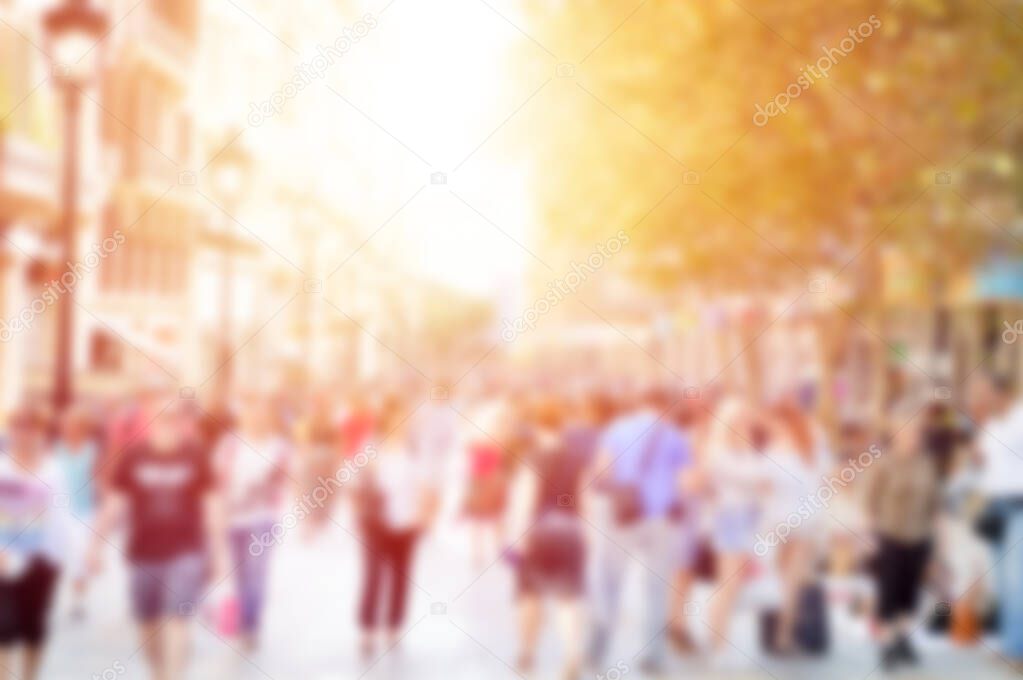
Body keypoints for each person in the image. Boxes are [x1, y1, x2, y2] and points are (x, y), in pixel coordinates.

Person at [87, 398, 229, 680]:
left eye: (175, 418)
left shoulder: (195, 455)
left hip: (186, 550)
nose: (169, 424)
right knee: (147, 625)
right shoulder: (133, 456)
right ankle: (158, 673)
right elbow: (114, 504)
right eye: (162, 418)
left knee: (178, 618)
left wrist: (219, 551)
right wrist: (95, 546)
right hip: (143, 552)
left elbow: (212, 505)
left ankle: (172, 676)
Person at [588, 387, 690, 674]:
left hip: (624, 516)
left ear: (639, 403)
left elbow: (602, 472)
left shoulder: (616, 429)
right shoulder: (676, 436)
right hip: (661, 519)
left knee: (610, 580)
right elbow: (686, 482)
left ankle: (598, 644)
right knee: (656, 588)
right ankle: (653, 655)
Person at [511, 397, 591, 679]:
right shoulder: (577, 459)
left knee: (530, 595)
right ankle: (572, 654)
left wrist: (518, 539)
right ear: (562, 426)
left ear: (537, 426)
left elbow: (524, 500)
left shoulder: (533, 458)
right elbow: (586, 500)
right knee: (568, 598)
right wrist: (587, 537)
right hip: (570, 531)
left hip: (539, 532)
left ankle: (527, 652)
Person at [354, 398, 439, 660]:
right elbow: (357, 481)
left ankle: (393, 627)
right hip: (376, 522)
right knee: (373, 574)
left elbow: (427, 485)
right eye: (396, 418)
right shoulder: (371, 446)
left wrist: (425, 517)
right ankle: (368, 628)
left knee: (401, 575)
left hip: (407, 522)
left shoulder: (416, 450)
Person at [692, 398, 773, 666]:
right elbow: (755, 478)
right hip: (730, 519)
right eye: (739, 421)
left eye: (746, 421)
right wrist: (758, 477)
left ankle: (717, 640)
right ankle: (715, 642)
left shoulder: (741, 450)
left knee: (732, 584)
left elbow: (761, 479)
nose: (745, 426)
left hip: (744, 518)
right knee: (728, 583)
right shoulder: (719, 452)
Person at [864, 402, 940, 671]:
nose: (913, 438)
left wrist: (937, 545)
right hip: (890, 536)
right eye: (908, 433)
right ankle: (887, 646)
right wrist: (870, 537)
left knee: (910, 593)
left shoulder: (927, 464)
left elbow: (934, 504)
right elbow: (870, 502)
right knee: (888, 593)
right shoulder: (884, 464)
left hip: (919, 537)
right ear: (896, 434)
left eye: (917, 433)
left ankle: (903, 642)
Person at [213, 391, 291, 651]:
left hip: (263, 520)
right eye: (252, 410)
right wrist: (219, 515)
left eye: (262, 411)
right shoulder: (230, 444)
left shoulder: (279, 447)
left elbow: (287, 480)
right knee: (239, 575)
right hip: (234, 519)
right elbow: (218, 482)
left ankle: (250, 626)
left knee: (256, 575)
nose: (257, 416)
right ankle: (244, 620)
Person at [0, 406, 72, 680]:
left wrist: (64, 559)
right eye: (20, 429)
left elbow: (60, 517)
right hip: (3, 558)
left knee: (33, 627)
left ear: (42, 435)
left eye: (33, 430)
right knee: (3, 627)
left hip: (41, 559)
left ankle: (29, 676)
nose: (26, 436)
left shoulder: (54, 471)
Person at [969, 372, 1023, 665]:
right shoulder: (989, 424)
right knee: (1001, 581)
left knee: (1018, 581)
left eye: (983, 392)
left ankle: (1019, 651)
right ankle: (1010, 645)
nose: (978, 398)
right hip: (995, 508)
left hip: (1019, 507)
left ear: (999, 392)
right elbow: (985, 463)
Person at [762, 401, 825, 654]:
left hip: (778, 520)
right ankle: (784, 635)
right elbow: (822, 481)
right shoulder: (811, 442)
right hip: (804, 520)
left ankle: (780, 633)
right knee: (792, 581)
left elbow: (765, 487)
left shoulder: (775, 448)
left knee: (782, 579)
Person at [52, 404, 99, 621]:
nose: (67, 428)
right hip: (59, 513)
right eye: (65, 425)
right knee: (61, 558)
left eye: (71, 425)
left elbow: (101, 484)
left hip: (84, 513)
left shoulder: (92, 451)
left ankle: (77, 600)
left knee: (80, 560)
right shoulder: (57, 449)